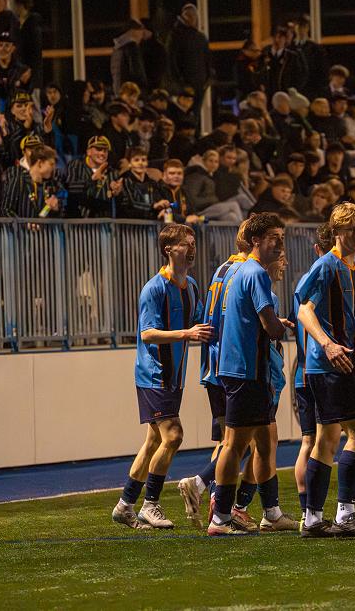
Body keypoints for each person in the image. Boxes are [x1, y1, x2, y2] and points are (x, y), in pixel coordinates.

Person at [294, 203, 355, 538]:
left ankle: (312, 519)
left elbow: (346, 311)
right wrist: (328, 344)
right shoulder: (326, 265)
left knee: (325, 440)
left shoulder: (354, 266)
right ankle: (346, 514)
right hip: (331, 365)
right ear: (336, 232)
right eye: (351, 229)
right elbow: (304, 310)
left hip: (339, 362)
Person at [112, 223, 211, 530]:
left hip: (173, 377)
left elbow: (202, 321)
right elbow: (148, 333)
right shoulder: (154, 288)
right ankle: (150, 504)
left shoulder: (191, 286)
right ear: (169, 249)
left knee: (154, 440)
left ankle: (125, 505)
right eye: (186, 244)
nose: (192, 248)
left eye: (193, 243)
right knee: (173, 436)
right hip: (154, 375)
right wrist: (186, 333)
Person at [208, 213, 290, 536]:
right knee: (234, 445)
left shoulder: (241, 271)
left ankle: (271, 512)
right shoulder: (256, 273)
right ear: (255, 241)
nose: (280, 244)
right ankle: (221, 517)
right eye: (273, 238)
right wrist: (281, 326)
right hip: (247, 370)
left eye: (282, 238)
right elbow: (270, 326)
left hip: (241, 369)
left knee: (265, 443)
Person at [177, 221, 250, 529]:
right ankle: (203, 485)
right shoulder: (246, 272)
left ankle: (218, 501)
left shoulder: (222, 269)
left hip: (212, 366)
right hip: (231, 367)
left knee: (226, 440)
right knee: (244, 440)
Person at [290, 223, 333, 517]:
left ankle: (307, 510)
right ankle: (319, 511)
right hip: (317, 370)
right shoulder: (326, 279)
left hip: (303, 371)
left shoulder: (302, 282)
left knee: (309, 441)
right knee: (325, 439)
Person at [167, 4, 210, 112]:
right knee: (184, 112)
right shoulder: (176, 36)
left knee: (193, 113)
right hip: (186, 83)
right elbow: (172, 61)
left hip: (198, 83)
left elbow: (207, 59)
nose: (192, 18)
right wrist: (180, 81)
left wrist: (208, 78)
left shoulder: (200, 37)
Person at [64, 135, 119, 218]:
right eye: (98, 149)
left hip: (102, 222)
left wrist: (118, 193)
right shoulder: (75, 165)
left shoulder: (112, 173)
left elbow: (117, 203)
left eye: (105, 151)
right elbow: (71, 188)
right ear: (88, 152)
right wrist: (92, 179)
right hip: (78, 220)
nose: (102, 153)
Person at [0, 144, 58, 218]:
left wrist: (54, 209)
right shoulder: (18, 181)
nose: (54, 168)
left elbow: (44, 216)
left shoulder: (50, 186)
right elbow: (6, 210)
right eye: (51, 164)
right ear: (40, 163)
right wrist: (24, 224)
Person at [118, 147, 167, 220]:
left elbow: (159, 201)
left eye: (143, 160)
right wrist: (153, 206)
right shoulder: (124, 181)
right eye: (136, 160)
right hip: (130, 224)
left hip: (151, 224)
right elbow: (130, 204)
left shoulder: (153, 183)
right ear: (129, 164)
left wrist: (163, 207)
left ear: (147, 163)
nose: (140, 163)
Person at [263, 25, 307, 95]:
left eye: (281, 38)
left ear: (285, 39)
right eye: (276, 37)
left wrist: (294, 89)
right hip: (268, 94)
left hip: (286, 94)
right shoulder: (264, 54)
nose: (277, 40)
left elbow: (300, 75)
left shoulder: (292, 56)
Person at [13, 0, 43, 91]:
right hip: (19, 66)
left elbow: (36, 49)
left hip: (30, 67)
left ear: (22, 5)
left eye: (16, 5)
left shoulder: (33, 23)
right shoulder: (16, 24)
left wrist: (31, 69)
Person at [111, 20, 148, 94]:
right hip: (131, 92)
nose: (142, 35)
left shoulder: (118, 48)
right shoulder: (131, 47)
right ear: (134, 31)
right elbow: (137, 72)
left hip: (120, 92)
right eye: (141, 31)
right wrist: (143, 89)